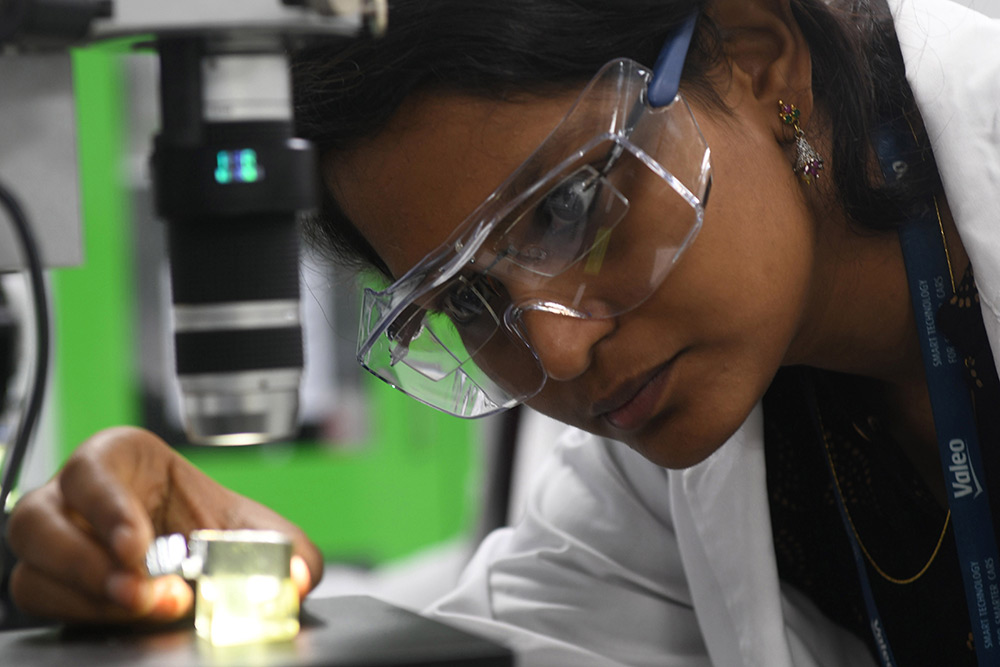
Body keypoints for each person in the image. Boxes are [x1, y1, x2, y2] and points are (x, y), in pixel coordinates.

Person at [5, 0, 1000, 664]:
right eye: (469, 304)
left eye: (568, 207)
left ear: (754, 61)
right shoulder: (680, 455)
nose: (556, 353)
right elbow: (524, 641)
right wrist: (199, 583)